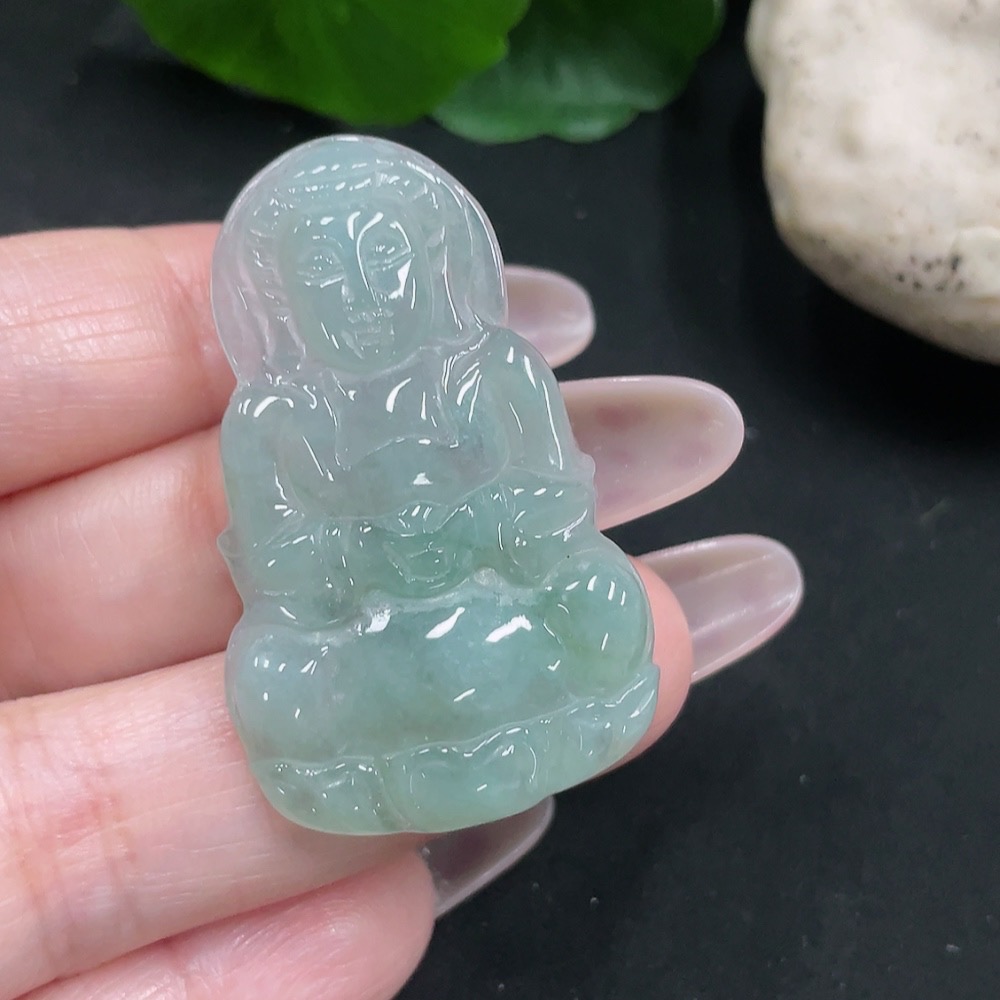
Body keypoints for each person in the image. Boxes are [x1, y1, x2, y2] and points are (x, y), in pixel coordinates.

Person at [0, 223, 801, 998]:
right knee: (274, 673)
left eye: (386, 254)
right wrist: (373, 544)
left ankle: (467, 747)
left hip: (501, 616)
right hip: (371, 650)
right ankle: (460, 751)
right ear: (278, 295)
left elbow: (553, 508)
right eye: (322, 269)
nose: (361, 293)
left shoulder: (495, 370)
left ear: (440, 260)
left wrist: (471, 526)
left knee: (601, 597)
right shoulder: (274, 417)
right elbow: (281, 565)